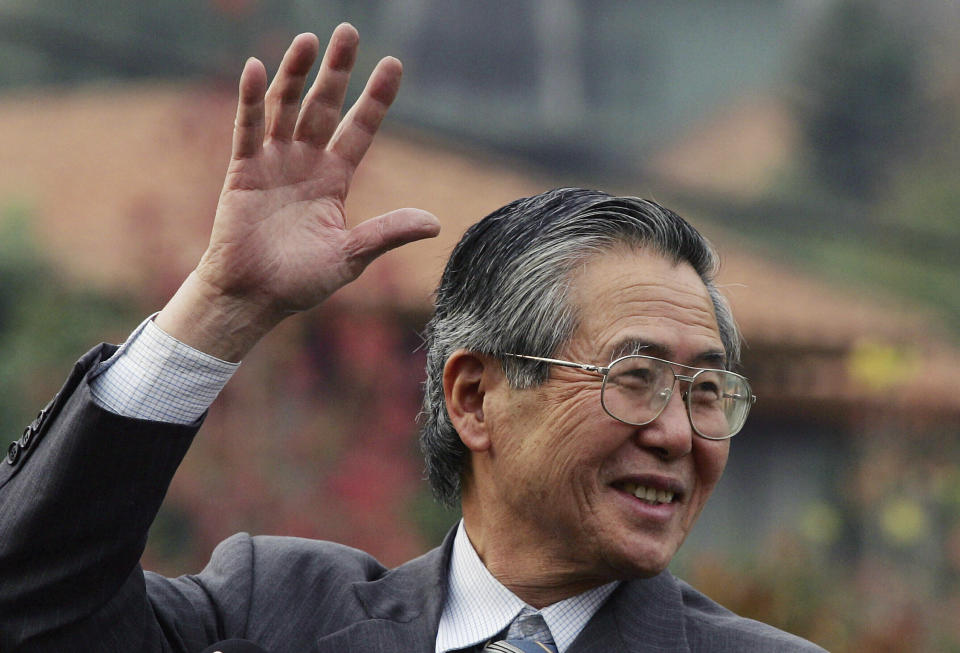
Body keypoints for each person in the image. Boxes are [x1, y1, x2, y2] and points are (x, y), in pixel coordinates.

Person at [0, 24, 825, 653]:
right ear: (474, 397)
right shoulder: (270, 612)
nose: (678, 432)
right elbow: (34, 603)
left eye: (707, 390)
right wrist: (222, 304)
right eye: (636, 375)